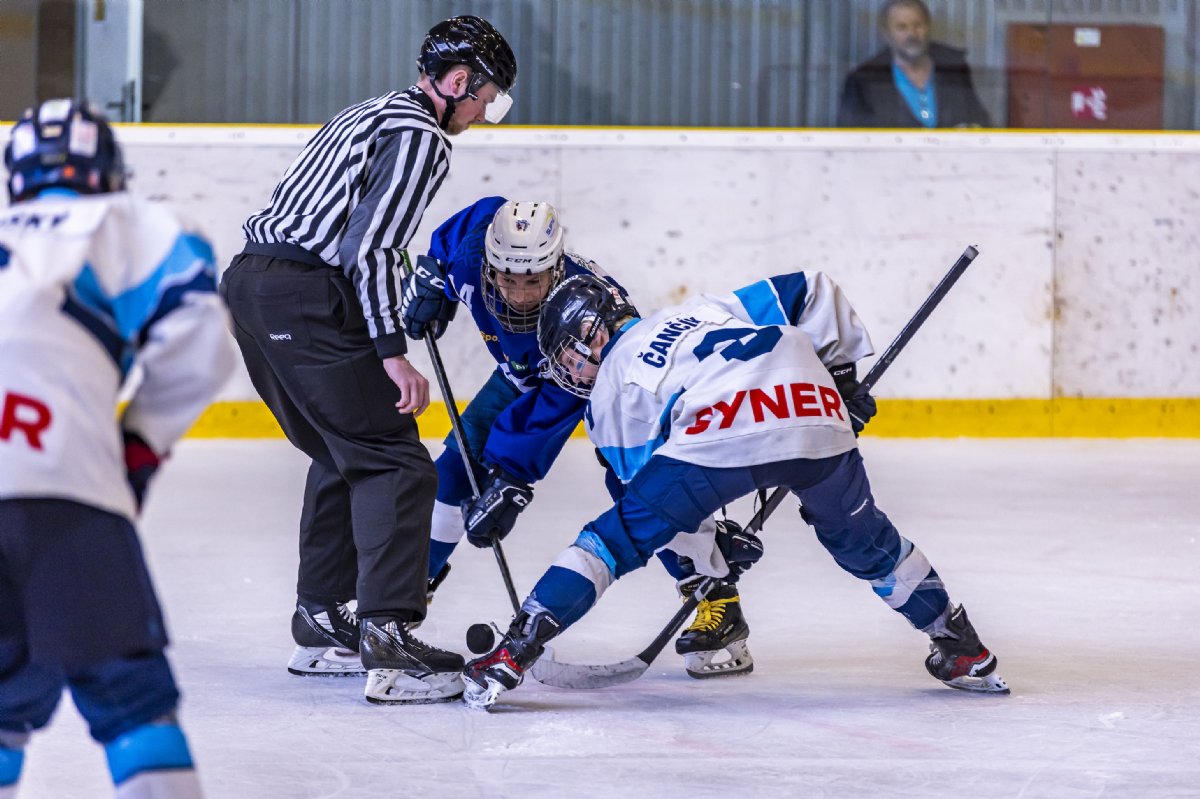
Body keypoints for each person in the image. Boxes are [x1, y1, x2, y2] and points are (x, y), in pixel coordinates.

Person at [461, 271, 1010, 709]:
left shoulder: (610, 388)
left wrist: (712, 557)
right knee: (866, 542)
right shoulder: (703, 308)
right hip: (816, 410)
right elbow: (811, 289)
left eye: (567, 356)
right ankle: (962, 646)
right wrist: (841, 381)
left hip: (718, 434)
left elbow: (655, 513)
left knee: (609, 541)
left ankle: (514, 651)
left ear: (593, 334)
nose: (570, 372)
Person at [219, 15, 516, 704]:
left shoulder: (368, 112)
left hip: (253, 287)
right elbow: (371, 247)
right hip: (305, 293)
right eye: (486, 99)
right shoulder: (421, 135)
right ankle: (388, 636)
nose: (482, 114)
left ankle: (322, 620)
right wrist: (391, 351)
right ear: (457, 80)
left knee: (342, 449)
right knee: (395, 462)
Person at [402, 196, 757, 679]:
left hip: (595, 386)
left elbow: (563, 397)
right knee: (453, 469)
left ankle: (717, 598)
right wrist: (431, 273)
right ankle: (405, 596)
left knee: (641, 488)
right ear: (488, 262)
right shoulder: (472, 255)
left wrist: (510, 477)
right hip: (521, 374)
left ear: (555, 267)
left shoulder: (591, 318)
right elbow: (474, 218)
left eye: (533, 282)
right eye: (508, 279)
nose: (520, 296)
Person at [0, 99, 236, 797]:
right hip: (62, 482)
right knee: (130, 698)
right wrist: (139, 445)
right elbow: (199, 342)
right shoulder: (128, 221)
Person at [837, 0, 991, 128]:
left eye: (917, 25)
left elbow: (979, 122)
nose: (912, 34)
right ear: (886, 34)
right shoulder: (864, 80)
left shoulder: (953, 70)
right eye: (902, 27)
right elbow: (850, 137)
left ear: (928, 27)